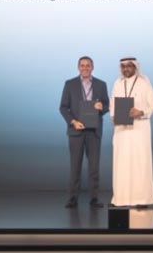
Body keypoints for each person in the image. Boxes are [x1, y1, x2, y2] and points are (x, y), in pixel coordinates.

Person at [59, 56, 109, 208]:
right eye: (82, 65)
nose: (85, 68)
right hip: (76, 131)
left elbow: (107, 105)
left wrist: (102, 107)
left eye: (88, 65)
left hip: (94, 131)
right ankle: (72, 198)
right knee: (75, 166)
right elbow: (63, 107)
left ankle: (94, 199)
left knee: (94, 167)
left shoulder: (101, 84)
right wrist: (73, 122)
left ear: (92, 67)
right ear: (78, 67)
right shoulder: (70, 84)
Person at [110, 57, 153, 207]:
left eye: (129, 66)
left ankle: (142, 200)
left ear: (135, 67)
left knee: (140, 163)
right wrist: (114, 116)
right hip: (121, 130)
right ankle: (120, 199)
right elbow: (112, 104)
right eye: (123, 66)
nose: (126, 69)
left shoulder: (144, 82)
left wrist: (141, 112)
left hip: (139, 130)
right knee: (121, 164)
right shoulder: (118, 83)